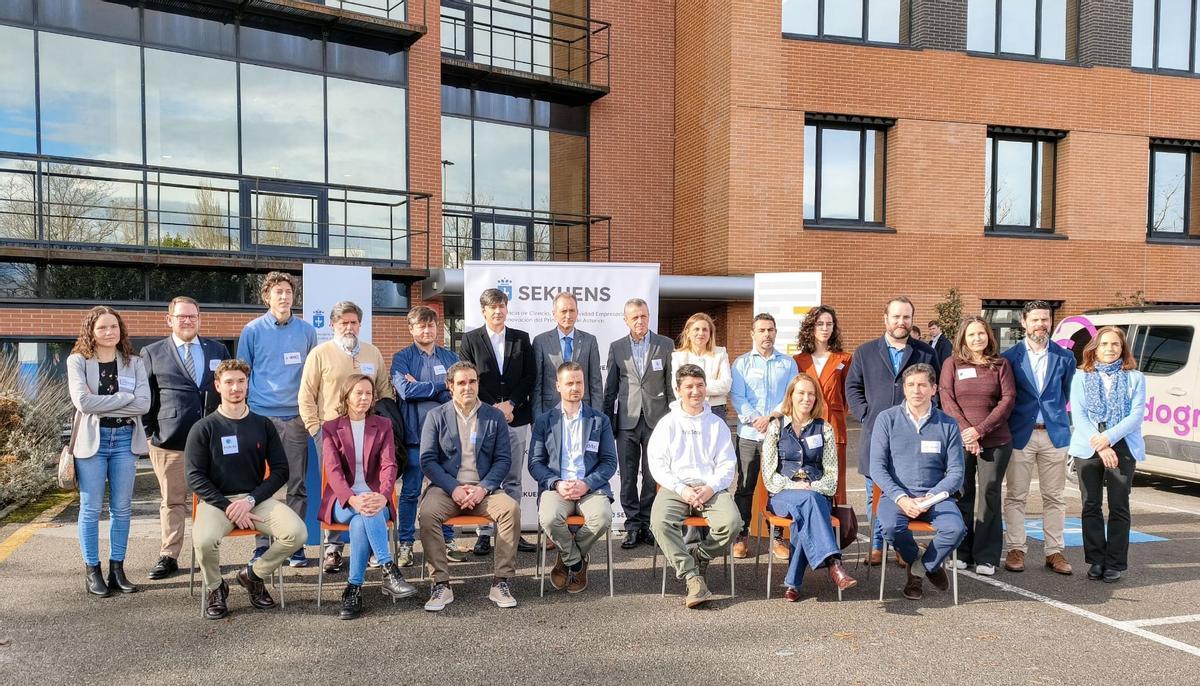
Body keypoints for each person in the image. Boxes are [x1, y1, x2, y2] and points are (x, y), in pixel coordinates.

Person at [186, 360, 307, 620]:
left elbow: (280, 471)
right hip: (217, 503)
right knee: (205, 541)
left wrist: (251, 500)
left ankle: (253, 576)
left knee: (297, 533)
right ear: (218, 386)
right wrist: (229, 506)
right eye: (228, 382)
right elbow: (195, 477)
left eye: (241, 381)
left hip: (256, 500)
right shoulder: (203, 428)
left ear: (248, 384)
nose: (235, 387)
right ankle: (216, 588)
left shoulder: (262, 425)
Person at [299, 300, 395, 573]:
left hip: (368, 431)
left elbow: (384, 389)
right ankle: (333, 549)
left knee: (368, 485)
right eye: (344, 323)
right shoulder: (320, 354)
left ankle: (372, 552)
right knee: (337, 487)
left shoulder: (372, 353)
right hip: (331, 434)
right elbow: (306, 395)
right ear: (332, 325)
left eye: (354, 322)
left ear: (360, 325)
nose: (349, 327)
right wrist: (315, 428)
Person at [419, 361, 521, 611]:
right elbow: (428, 460)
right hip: (446, 489)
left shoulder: (494, 416)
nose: (468, 387)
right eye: (461, 383)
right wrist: (453, 487)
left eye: (472, 381)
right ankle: (441, 584)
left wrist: (483, 488)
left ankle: (501, 581)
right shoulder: (436, 416)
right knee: (427, 513)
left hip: (484, 490)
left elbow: (503, 460)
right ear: (450, 386)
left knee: (510, 509)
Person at [141, 296, 230, 581]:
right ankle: (169, 555)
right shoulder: (152, 352)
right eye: (181, 317)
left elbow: (227, 390)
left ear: (199, 318)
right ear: (170, 319)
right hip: (169, 441)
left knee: (212, 499)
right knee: (172, 501)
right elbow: (147, 398)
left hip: (212, 441)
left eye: (192, 316)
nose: (187, 321)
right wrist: (148, 433)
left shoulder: (218, 349)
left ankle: (208, 552)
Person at [845, 296, 938, 565]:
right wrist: (866, 414)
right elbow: (853, 387)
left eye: (906, 317)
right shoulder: (865, 352)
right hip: (876, 434)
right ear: (885, 319)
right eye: (896, 317)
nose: (901, 322)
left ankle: (900, 545)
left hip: (913, 439)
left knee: (907, 491)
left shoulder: (925, 353)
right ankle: (876, 545)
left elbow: (935, 388)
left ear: (912, 320)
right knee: (874, 490)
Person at [67, 306, 151, 597]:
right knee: (90, 509)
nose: (109, 332)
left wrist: (105, 401)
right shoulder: (77, 361)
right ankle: (92, 571)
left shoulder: (134, 362)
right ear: (91, 331)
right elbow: (83, 403)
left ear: (121, 330)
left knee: (122, 509)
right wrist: (121, 398)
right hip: (93, 442)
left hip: (125, 440)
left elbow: (143, 405)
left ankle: (118, 569)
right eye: (102, 328)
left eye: (114, 327)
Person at [236, 271, 317, 570]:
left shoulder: (307, 332)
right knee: (259, 484)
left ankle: (294, 547)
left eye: (288, 291)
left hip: (295, 418)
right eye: (277, 292)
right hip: (261, 418)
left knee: (297, 484)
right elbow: (243, 374)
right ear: (267, 296)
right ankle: (261, 546)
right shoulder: (252, 331)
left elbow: (311, 378)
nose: (284, 297)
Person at [319, 374, 417, 619]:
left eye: (368, 393)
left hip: (376, 497)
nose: (364, 398)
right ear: (347, 396)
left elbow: (389, 466)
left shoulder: (382, 425)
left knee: (362, 520)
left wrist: (384, 496)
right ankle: (388, 569)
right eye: (358, 393)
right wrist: (352, 498)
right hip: (343, 500)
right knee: (363, 512)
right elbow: (333, 471)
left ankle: (353, 589)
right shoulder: (331, 427)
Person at [647, 364, 740, 608]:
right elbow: (657, 465)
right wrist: (682, 489)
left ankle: (700, 556)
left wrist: (710, 488)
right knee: (659, 521)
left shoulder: (717, 425)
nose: (695, 391)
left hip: (709, 488)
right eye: (689, 386)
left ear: (706, 388)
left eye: (700, 385)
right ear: (678, 390)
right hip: (676, 488)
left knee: (732, 523)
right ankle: (691, 576)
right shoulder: (667, 424)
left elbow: (727, 464)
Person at [870, 363, 965, 601]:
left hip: (935, 497)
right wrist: (901, 498)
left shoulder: (948, 424)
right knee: (890, 527)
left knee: (956, 529)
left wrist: (930, 498)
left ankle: (920, 569)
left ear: (934, 389)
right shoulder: (887, 419)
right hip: (898, 496)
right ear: (903, 388)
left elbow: (956, 473)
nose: (916, 390)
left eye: (923, 385)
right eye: (910, 385)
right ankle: (918, 559)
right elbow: (877, 468)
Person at [761, 374, 856, 601]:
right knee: (810, 503)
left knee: (806, 511)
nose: (806, 398)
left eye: (811, 394)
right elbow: (768, 474)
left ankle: (793, 584)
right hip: (782, 494)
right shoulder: (776, 427)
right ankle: (834, 562)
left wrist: (812, 486)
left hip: (816, 491)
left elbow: (832, 476)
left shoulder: (825, 429)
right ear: (791, 396)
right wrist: (794, 485)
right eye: (801, 393)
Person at [458, 288, 538, 554]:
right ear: (483, 310)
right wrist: (494, 407)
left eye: (502, 305)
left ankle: (511, 532)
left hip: (516, 417)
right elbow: (470, 378)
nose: (498, 311)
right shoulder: (470, 339)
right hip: (483, 417)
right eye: (492, 307)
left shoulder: (521, 338)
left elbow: (529, 377)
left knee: (513, 477)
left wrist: (511, 404)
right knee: (483, 475)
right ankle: (484, 533)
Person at [528, 361, 618, 593]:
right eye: (569, 383)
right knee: (548, 518)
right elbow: (535, 463)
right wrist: (556, 483)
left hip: (590, 487)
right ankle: (577, 562)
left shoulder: (599, 421)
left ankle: (565, 557)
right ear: (558, 386)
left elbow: (609, 462)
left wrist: (586, 483)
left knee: (602, 517)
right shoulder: (545, 421)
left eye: (579, 382)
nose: (575, 387)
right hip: (557, 488)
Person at [1000, 300, 1076, 575]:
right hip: (1021, 434)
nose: (1041, 325)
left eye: (1045, 319)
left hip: (1054, 435)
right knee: (1016, 495)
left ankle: (1054, 552)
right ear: (1024, 322)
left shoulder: (1065, 357)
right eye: (1035, 320)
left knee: (1055, 497)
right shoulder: (1009, 358)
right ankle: (1016, 549)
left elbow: (1064, 395)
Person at [938, 317, 1015, 576]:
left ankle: (987, 556)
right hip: (960, 440)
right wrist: (966, 432)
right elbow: (946, 398)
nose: (977, 338)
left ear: (988, 336)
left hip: (996, 441)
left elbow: (1008, 399)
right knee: (962, 493)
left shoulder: (1001, 364)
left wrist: (980, 431)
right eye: (971, 334)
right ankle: (961, 551)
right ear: (963, 338)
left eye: (981, 333)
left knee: (989, 496)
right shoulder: (952, 364)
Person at [1068, 327, 1146, 583]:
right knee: (1090, 505)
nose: (1110, 349)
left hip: (1122, 444)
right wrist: (1100, 444)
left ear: (1123, 348)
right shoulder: (1081, 376)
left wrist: (1109, 439)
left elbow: (1135, 416)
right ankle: (1096, 560)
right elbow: (1078, 415)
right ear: (1095, 348)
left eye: (1115, 344)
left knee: (1119, 506)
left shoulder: (1135, 377)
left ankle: (1114, 563)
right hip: (1089, 444)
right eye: (1104, 344)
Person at [391, 306, 465, 566]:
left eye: (431, 325)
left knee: (445, 490)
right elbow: (405, 391)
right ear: (411, 329)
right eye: (421, 326)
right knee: (410, 492)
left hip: (445, 438)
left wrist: (423, 386)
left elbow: (455, 392)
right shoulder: (401, 358)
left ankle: (448, 540)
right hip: (414, 437)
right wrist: (438, 386)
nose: (427, 330)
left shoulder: (449, 357)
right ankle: (406, 545)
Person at [603, 298, 675, 549]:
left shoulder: (665, 344)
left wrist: (673, 419)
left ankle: (647, 523)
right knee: (628, 476)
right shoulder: (617, 347)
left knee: (652, 475)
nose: (640, 321)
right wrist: (607, 422)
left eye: (643, 316)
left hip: (657, 420)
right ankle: (632, 525)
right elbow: (610, 389)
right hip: (627, 421)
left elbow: (670, 386)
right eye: (634, 317)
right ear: (626, 320)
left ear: (648, 317)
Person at [729, 313, 798, 558]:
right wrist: (756, 419)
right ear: (753, 333)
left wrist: (770, 418)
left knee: (776, 487)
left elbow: (790, 396)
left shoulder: (788, 363)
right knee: (745, 487)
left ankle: (778, 538)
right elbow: (737, 397)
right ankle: (741, 536)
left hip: (778, 435)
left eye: (770, 329)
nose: (766, 334)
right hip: (749, 434)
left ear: (775, 332)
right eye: (761, 330)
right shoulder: (741, 364)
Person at [790, 304, 853, 558]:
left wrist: (834, 413)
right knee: (806, 482)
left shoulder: (844, 359)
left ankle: (834, 543)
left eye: (829, 324)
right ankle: (805, 541)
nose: (825, 328)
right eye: (819, 324)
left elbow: (850, 395)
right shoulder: (798, 360)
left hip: (834, 429)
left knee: (835, 486)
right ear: (810, 327)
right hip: (805, 430)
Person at [533, 292, 603, 418]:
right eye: (563, 311)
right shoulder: (541, 341)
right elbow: (537, 386)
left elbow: (596, 383)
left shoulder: (590, 341)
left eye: (572, 310)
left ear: (577, 312)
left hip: (583, 412)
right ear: (554, 313)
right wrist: (537, 419)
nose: (568, 315)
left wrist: (597, 418)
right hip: (550, 412)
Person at [671, 312, 732, 418]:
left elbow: (726, 385)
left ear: (710, 333)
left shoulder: (720, 353)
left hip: (716, 410)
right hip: (688, 410)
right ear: (688, 333)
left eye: (705, 329)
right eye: (696, 329)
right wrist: (710, 386)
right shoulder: (678, 356)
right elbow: (677, 387)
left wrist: (691, 387)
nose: (701, 333)